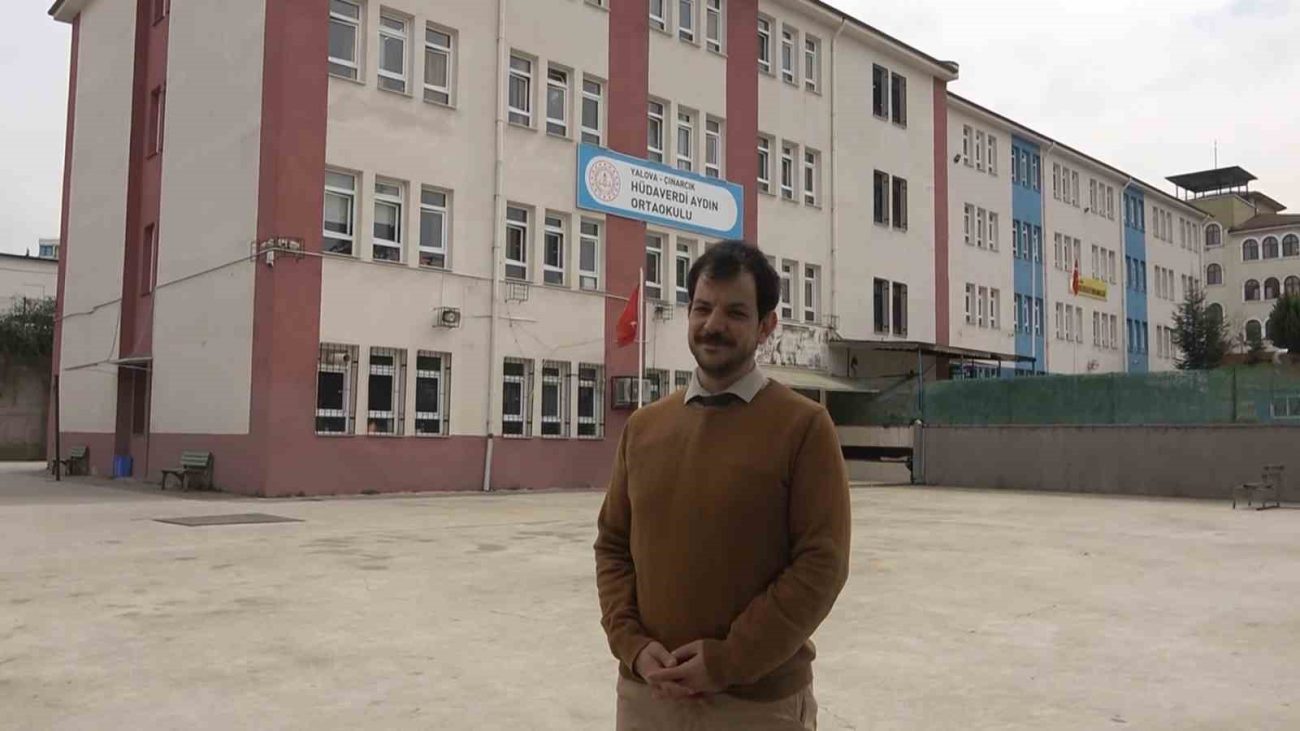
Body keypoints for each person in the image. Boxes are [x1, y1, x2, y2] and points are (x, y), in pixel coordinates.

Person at [594, 240, 852, 730]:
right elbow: (612, 546)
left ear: (766, 326)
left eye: (735, 312)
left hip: (756, 705)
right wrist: (633, 645)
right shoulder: (645, 427)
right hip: (648, 696)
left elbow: (822, 564)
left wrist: (728, 660)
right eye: (703, 308)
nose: (713, 325)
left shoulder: (804, 427)